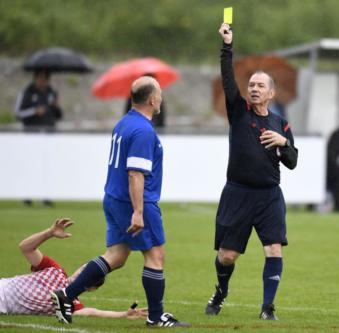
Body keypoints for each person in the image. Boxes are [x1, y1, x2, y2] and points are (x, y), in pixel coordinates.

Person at [51, 76, 188, 328]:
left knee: (116, 255)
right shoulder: (143, 130)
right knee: (156, 255)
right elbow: (135, 173)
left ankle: (67, 295)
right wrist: (138, 211)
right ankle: (156, 317)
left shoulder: (124, 123)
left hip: (113, 199)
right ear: (152, 99)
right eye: (160, 93)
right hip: (135, 202)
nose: (161, 98)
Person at [204, 23, 298, 321]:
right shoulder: (239, 112)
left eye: (260, 86)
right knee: (227, 256)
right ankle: (221, 291)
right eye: (252, 85)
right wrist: (227, 46)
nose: (254, 88)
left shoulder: (281, 125)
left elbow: (293, 161)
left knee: (274, 250)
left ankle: (267, 308)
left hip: (269, 196)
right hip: (238, 193)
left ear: (271, 93)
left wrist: (284, 144)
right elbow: (228, 79)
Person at [0, 218, 147, 319]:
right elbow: (26, 248)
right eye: (85, 268)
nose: (82, 272)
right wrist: (49, 233)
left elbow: (93, 312)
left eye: (88, 275)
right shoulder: (55, 269)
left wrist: (123, 314)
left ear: (91, 288)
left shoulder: (69, 304)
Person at [14, 69, 63, 207]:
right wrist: (35, 111)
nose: (43, 81)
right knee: (31, 166)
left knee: (47, 167)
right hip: (32, 134)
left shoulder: (52, 93)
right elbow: (18, 113)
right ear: (35, 78)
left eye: (45, 78)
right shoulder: (27, 93)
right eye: (40, 78)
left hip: (48, 134)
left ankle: (46, 197)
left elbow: (59, 115)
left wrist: (57, 107)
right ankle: (28, 196)